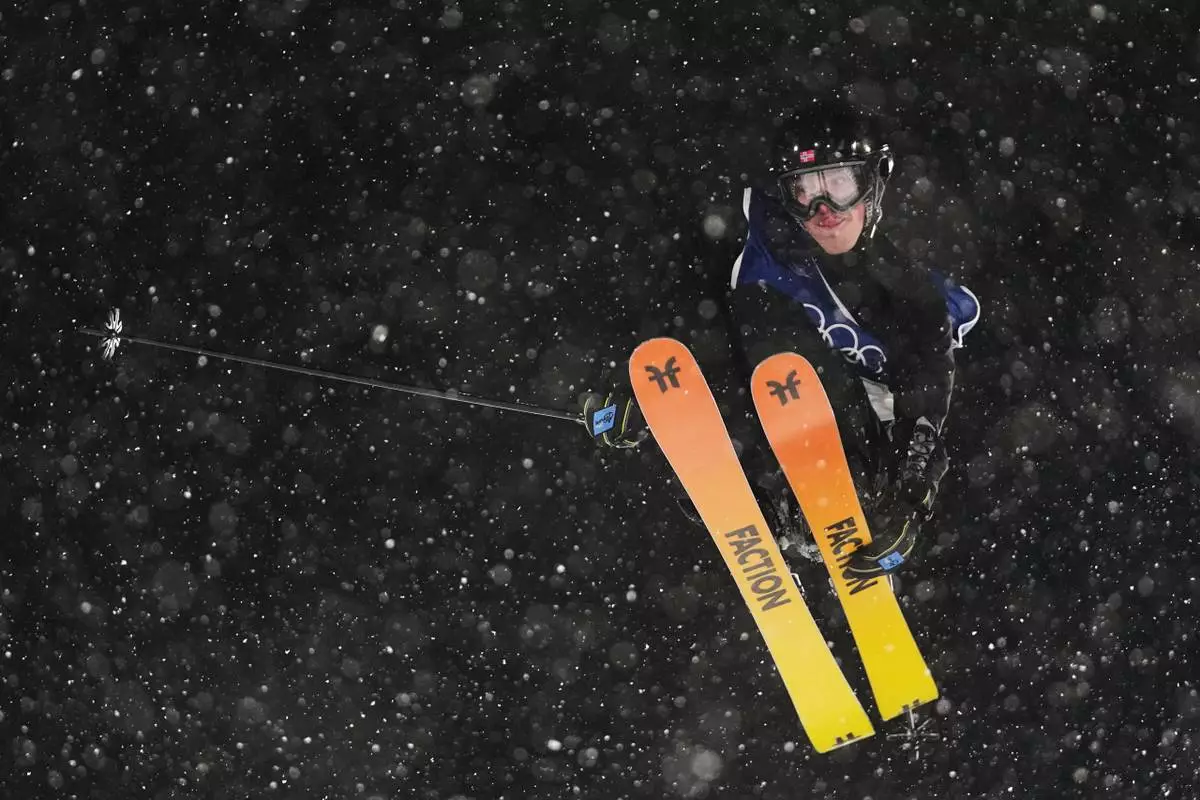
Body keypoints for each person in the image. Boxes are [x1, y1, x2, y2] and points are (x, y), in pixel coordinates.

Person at [586, 99, 979, 578]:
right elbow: (677, 300)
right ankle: (752, 495)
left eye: (840, 184)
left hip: (859, 455)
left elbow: (927, 406)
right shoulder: (758, 238)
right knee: (747, 312)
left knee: (793, 348)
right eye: (804, 190)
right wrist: (631, 385)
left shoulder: (912, 291)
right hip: (762, 439)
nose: (823, 210)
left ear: (874, 181)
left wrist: (912, 502)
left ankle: (825, 500)